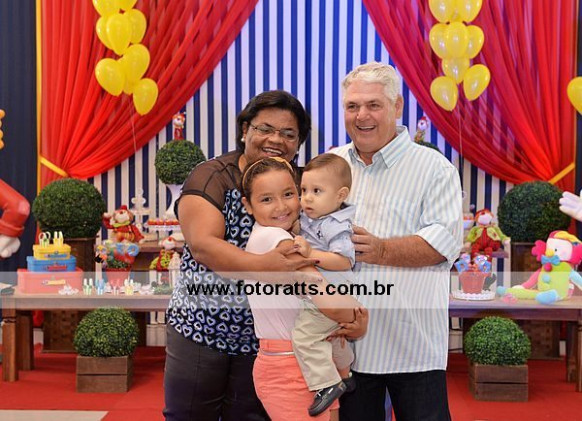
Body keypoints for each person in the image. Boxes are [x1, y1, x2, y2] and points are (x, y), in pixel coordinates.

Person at [164, 90, 316, 421]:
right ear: (245, 130)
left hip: (268, 339)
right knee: (189, 416)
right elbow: (203, 245)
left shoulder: (304, 184)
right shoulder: (212, 175)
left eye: (288, 134)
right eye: (265, 129)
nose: (276, 140)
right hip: (202, 327)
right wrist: (264, 266)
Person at [330, 62, 463, 421]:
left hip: (413, 346)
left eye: (373, 105)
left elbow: (442, 245)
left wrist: (382, 249)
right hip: (346, 348)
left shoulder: (434, 169)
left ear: (397, 106)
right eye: (352, 106)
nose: (362, 115)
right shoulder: (330, 165)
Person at [240, 157, 367, 421]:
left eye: (288, 194)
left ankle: (344, 374)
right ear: (247, 206)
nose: (281, 206)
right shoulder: (276, 238)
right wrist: (355, 316)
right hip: (290, 364)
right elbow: (334, 307)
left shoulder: (294, 233)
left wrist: (352, 317)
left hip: (310, 360)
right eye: (267, 199)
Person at [292, 153, 357, 416]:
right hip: (323, 295)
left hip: (332, 294)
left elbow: (344, 260)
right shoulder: (314, 217)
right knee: (331, 337)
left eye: (316, 191)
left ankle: (327, 384)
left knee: (305, 337)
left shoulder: (336, 226)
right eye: (304, 190)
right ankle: (346, 373)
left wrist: (310, 255)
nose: (307, 198)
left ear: (341, 195)